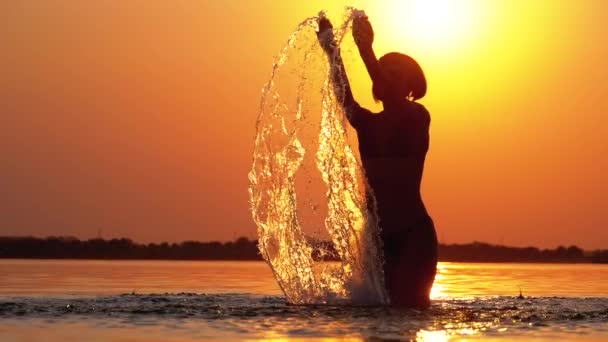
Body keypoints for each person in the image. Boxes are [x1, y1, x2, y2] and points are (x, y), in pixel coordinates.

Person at [317, 15, 437, 308]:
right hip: (376, 241)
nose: (389, 78)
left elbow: (394, 98)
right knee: (375, 321)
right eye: (386, 73)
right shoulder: (366, 123)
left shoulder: (417, 116)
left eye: (397, 74)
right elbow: (341, 92)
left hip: (413, 236)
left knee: (409, 309)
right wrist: (330, 49)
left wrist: (365, 48)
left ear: (411, 85)